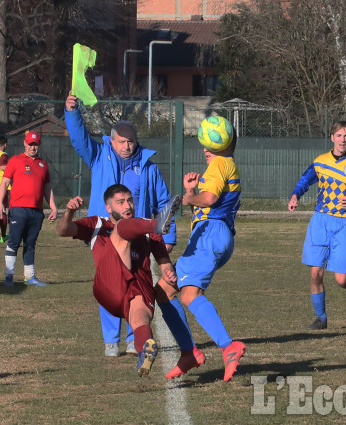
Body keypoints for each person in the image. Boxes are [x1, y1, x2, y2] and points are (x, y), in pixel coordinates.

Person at [64, 92, 198, 366]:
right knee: (110, 282)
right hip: (105, 235)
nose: (126, 146)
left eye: (131, 141)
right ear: (112, 141)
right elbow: (79, 139)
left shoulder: (147, 166)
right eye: (121, 141)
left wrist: (168, 237)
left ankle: (133, 338)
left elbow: (162, 200)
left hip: (140, 234)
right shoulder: (99, 155)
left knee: (139, 283)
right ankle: (112, 341)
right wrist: (72, 112)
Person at [56, 184, 181, 377]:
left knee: (141, 319)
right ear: (108, 207)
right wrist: (69, 212)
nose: (127, 206)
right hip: (109, 284)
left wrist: (169, 273)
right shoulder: (98, 224)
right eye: (120, 202)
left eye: (130, 201)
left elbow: (164, 262)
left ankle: (143, 351)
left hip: (137, 288)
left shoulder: (146, 231)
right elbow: (63, 230)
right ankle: (158, 222)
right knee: (122, 227)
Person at [154, 130, 246, 382]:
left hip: (211, 234)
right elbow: (212, 199)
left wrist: (192, 197)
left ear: (223, 145)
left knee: (189, 294)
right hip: (211, 235)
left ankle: (228, 347)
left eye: (211, 145)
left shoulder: (219, 163)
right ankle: (189, 353)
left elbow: (211, 198)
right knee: (164, 290)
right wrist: (192, 190)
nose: (206, 150)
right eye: (204, 145)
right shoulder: (223, 164)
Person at [288, 121, 346, 330]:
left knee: (341, 279)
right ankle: (321, 318)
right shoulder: (320, 162)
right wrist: (294, 196)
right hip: (320, 221)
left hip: (344, 224)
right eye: (339, 135)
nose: (342, 139)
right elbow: (304, 181)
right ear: (332, 137)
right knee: (315, 272)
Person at [0, 131, 57, 287]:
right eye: (30, 144)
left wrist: (53, 207)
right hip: (18, 209)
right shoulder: (15, 161)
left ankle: (29, 277)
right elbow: (4, 183)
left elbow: (47, 188)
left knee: (30, 244)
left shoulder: (43, 165)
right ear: (25, 143)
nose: (33, 147)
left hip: (36, 212)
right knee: (14, 242)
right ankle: (9, 277)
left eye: (35, 144)